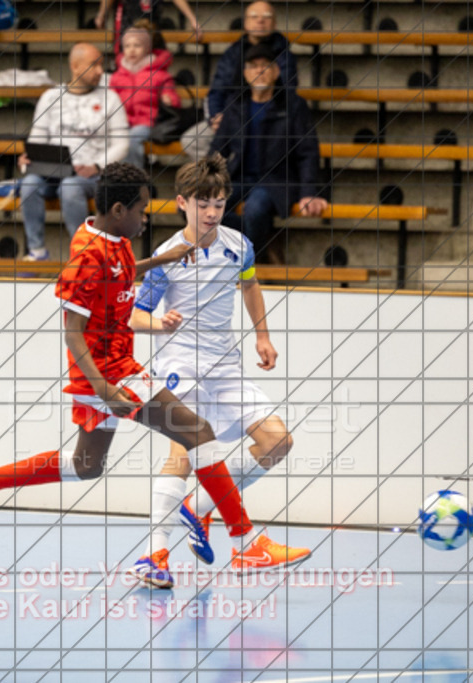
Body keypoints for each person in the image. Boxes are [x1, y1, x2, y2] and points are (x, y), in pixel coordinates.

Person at [0, 163, 266, 580]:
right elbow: (72, 334)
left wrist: (164, 258)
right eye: (142, 211)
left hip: (111, 372)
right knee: (197, 432)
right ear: (120, 209)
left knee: (85, 465)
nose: (146, 218)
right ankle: (244, 542)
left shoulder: (116, 239)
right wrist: (105, 389)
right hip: (109, 374)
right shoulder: (87, 256)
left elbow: (120, 273)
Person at [128, 154, 311, 588]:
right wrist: (160, 322)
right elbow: (135, 316)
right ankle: (153, 556)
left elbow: (249, 285)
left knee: (277, 440)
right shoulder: (166, 255)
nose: (211, 213)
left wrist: (262, 336)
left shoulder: (239, 244)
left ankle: (201, 508)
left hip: (225, 365)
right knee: (183, 455)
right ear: (181, 203)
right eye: (202, 204)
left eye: (219, 204)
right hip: (179, 365)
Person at [210, 41, 326, 263]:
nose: (259, 71)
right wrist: (200, 185)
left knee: (255, 209)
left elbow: (308, 152)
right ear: (245, 73)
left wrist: (309, 191)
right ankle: (258, 242)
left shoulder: (293, 105)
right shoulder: (236, 106)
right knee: (201, 206)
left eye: (265, 66)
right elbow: (217, 150)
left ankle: (246, 262)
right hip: (240, 178)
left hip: (278, 180)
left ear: (276, 71)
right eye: (253, 66)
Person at [19, 43, 129, 262]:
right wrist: (29, 159)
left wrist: (96, 166)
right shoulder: (50, 97)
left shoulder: (111, 98)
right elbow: (37, 139)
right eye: (94, 65)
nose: (100, 71)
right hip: (54, 171)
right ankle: (37, 251)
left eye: (101, 65)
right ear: (75, 67)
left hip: (93, 174)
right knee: (29, 184)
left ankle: (83, 256)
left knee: (70, 187)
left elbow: (122, 144)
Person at [180, 0, 298, 160]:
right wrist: (215, 118)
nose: (260, 20)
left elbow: (287, 92)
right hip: (231, 117)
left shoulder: (283, 54)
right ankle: (226, 177)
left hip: (267, 119)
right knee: (191, 140)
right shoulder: (233, 52)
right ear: (246, 22)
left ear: (274, 22)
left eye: (266, 16)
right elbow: (216, 90)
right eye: (254, 16)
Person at [109, 21, 180, 169]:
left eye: (137, 46)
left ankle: (134, 181)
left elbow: (172, 96)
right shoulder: (117, 76)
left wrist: (169, 98)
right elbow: (110, 101)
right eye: (127, 46)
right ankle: (114, 180)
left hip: (146, 122)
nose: (132, 50)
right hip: (122, 122)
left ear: (147, 49)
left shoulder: (159, 74)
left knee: (131, 139)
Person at [94, 0, 202, 53]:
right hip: (128, 25)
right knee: (128, 65)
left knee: (155, 66)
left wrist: (192, 19)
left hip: (153, 27)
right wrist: (102, 14)